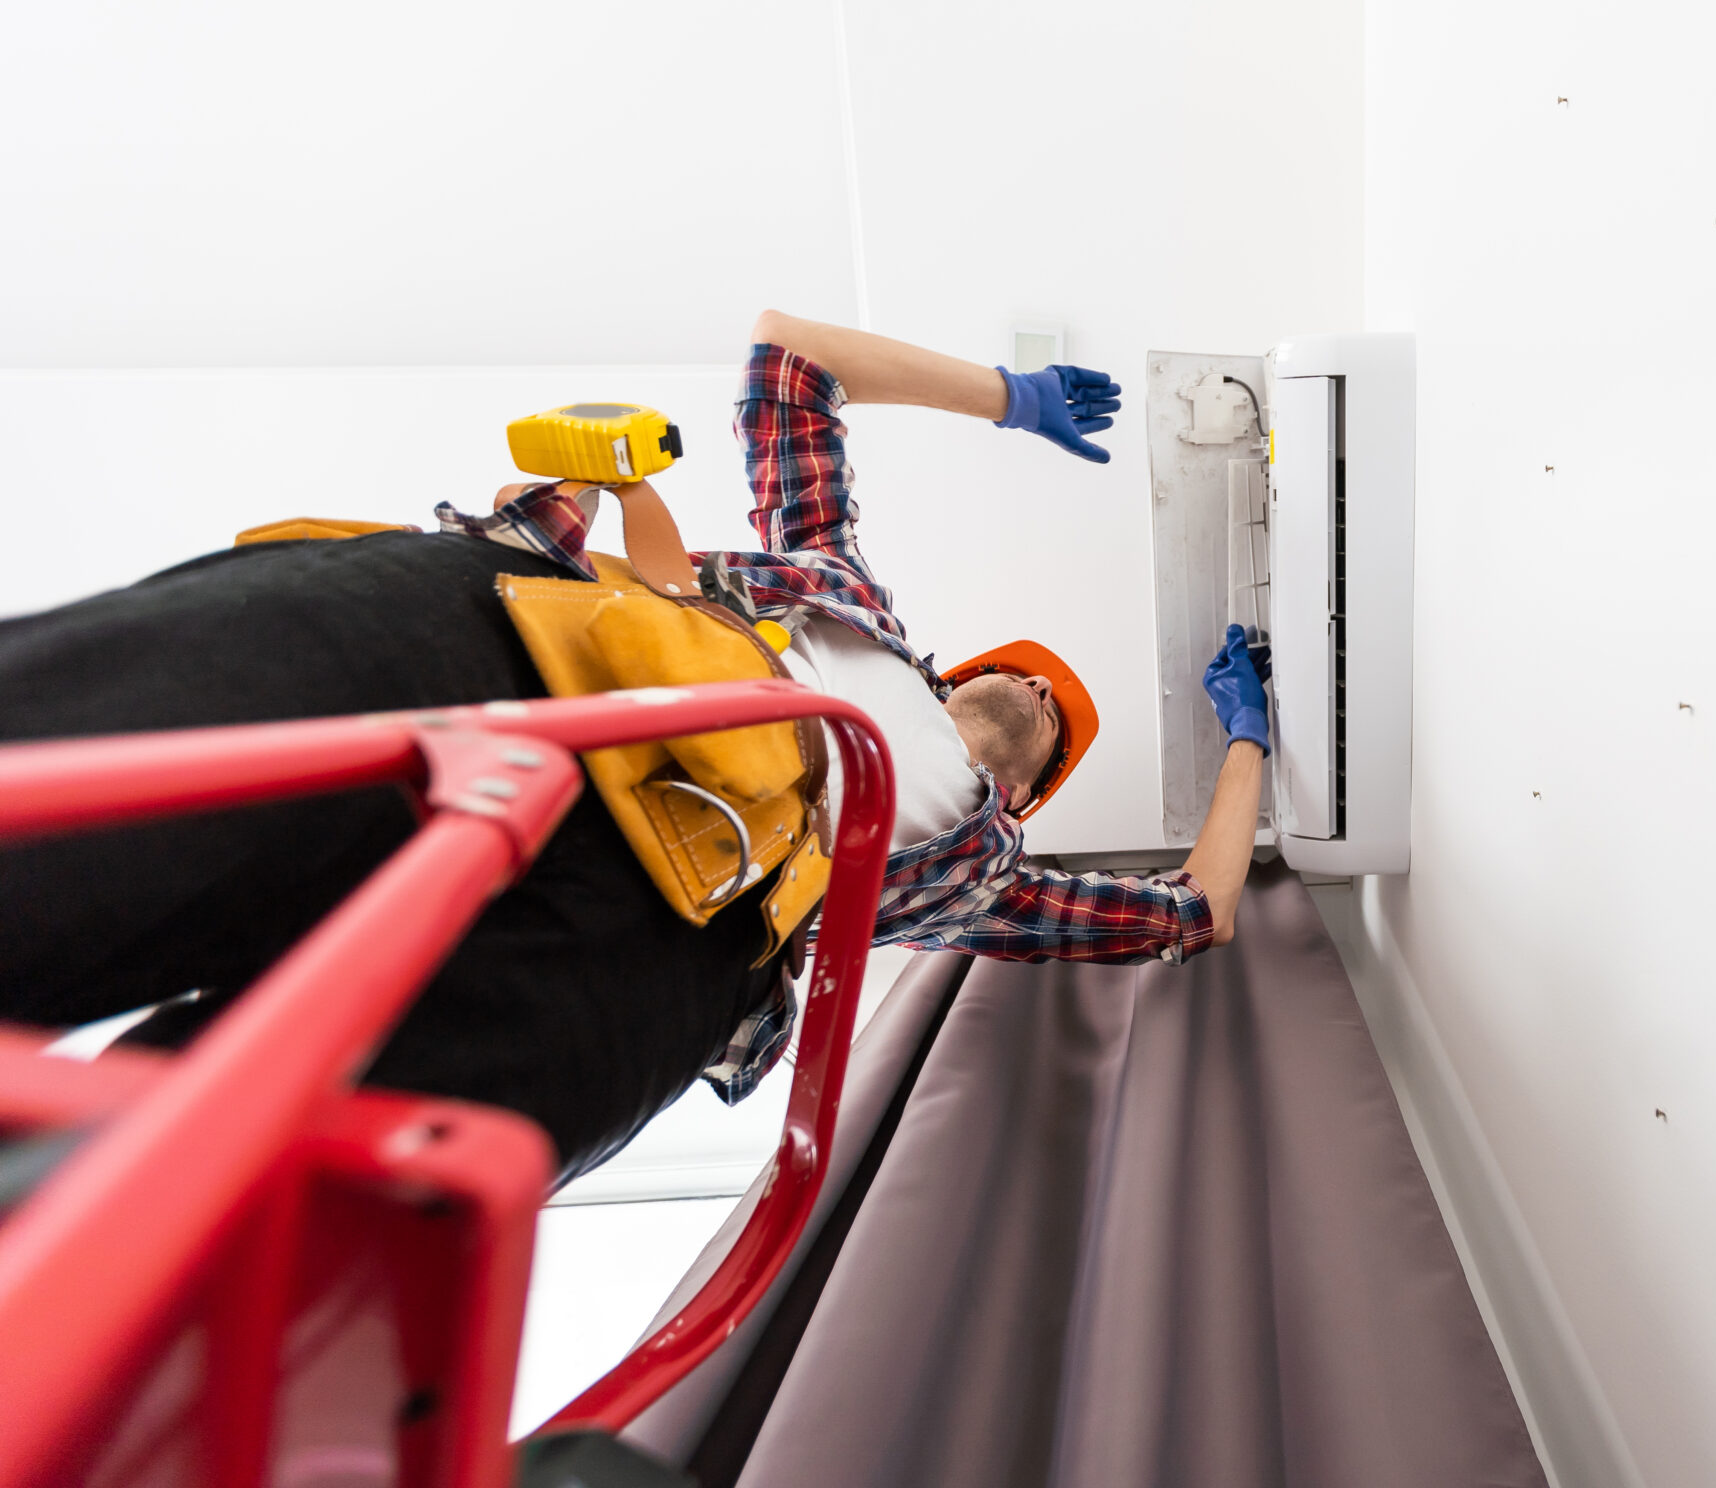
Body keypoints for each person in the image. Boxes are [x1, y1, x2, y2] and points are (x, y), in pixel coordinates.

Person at [0, 312, 1275, 1177]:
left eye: (1054, 735)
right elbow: (788, 361)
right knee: (74, 813)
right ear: (963, 669)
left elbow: (1195, 912)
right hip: (514, 661)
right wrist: (1012, 398)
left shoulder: (983, 880)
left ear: (1021, 797)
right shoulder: (836, 585)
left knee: (269, 1180)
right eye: (1035, 686)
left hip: (680, 934)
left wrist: (1244, 743)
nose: (1046, 707)